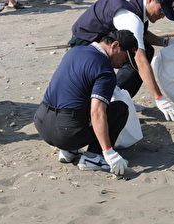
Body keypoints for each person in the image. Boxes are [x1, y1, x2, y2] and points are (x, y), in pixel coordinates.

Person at [68, 0, 174, 122]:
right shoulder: (131, 18)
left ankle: (120, 96)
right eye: (162, 10)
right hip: (86, 43)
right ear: (151, 0)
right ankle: (110, 100)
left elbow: (141, 33)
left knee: (147, 49)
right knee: (136, 59)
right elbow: (140, 60)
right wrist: (159, 98)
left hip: (104, 38)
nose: (163, 16)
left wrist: (165, 42)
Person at [34, 30, 137, 174]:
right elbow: (97, 113)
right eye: (125, 57)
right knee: (119, 109)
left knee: (78, 98)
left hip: (41, 123)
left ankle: (69, 151)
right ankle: (94, 157)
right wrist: (109, 152)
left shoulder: (75, 51)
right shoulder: (105, 70)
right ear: (114, 46)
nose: (123, 63)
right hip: (67, 133)